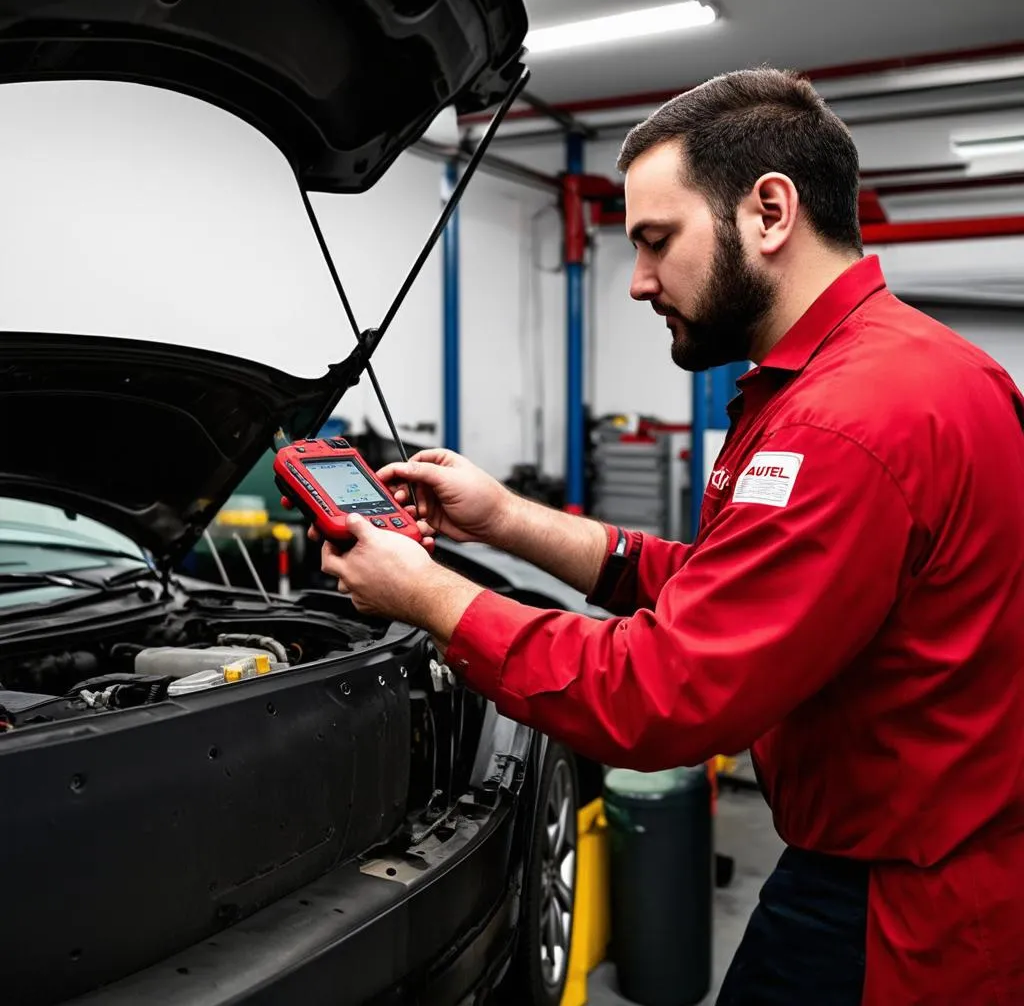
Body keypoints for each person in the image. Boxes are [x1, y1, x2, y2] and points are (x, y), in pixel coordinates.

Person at [308, 69, 1024, 1004]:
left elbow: (661, 693)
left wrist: (429, 596)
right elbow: (728, 588)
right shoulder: (908, 373)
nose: (640, 280)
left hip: (894, 918)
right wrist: (509, 520)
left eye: (655, 240)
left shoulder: (844, 421)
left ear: (770, 211)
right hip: (923, 868)